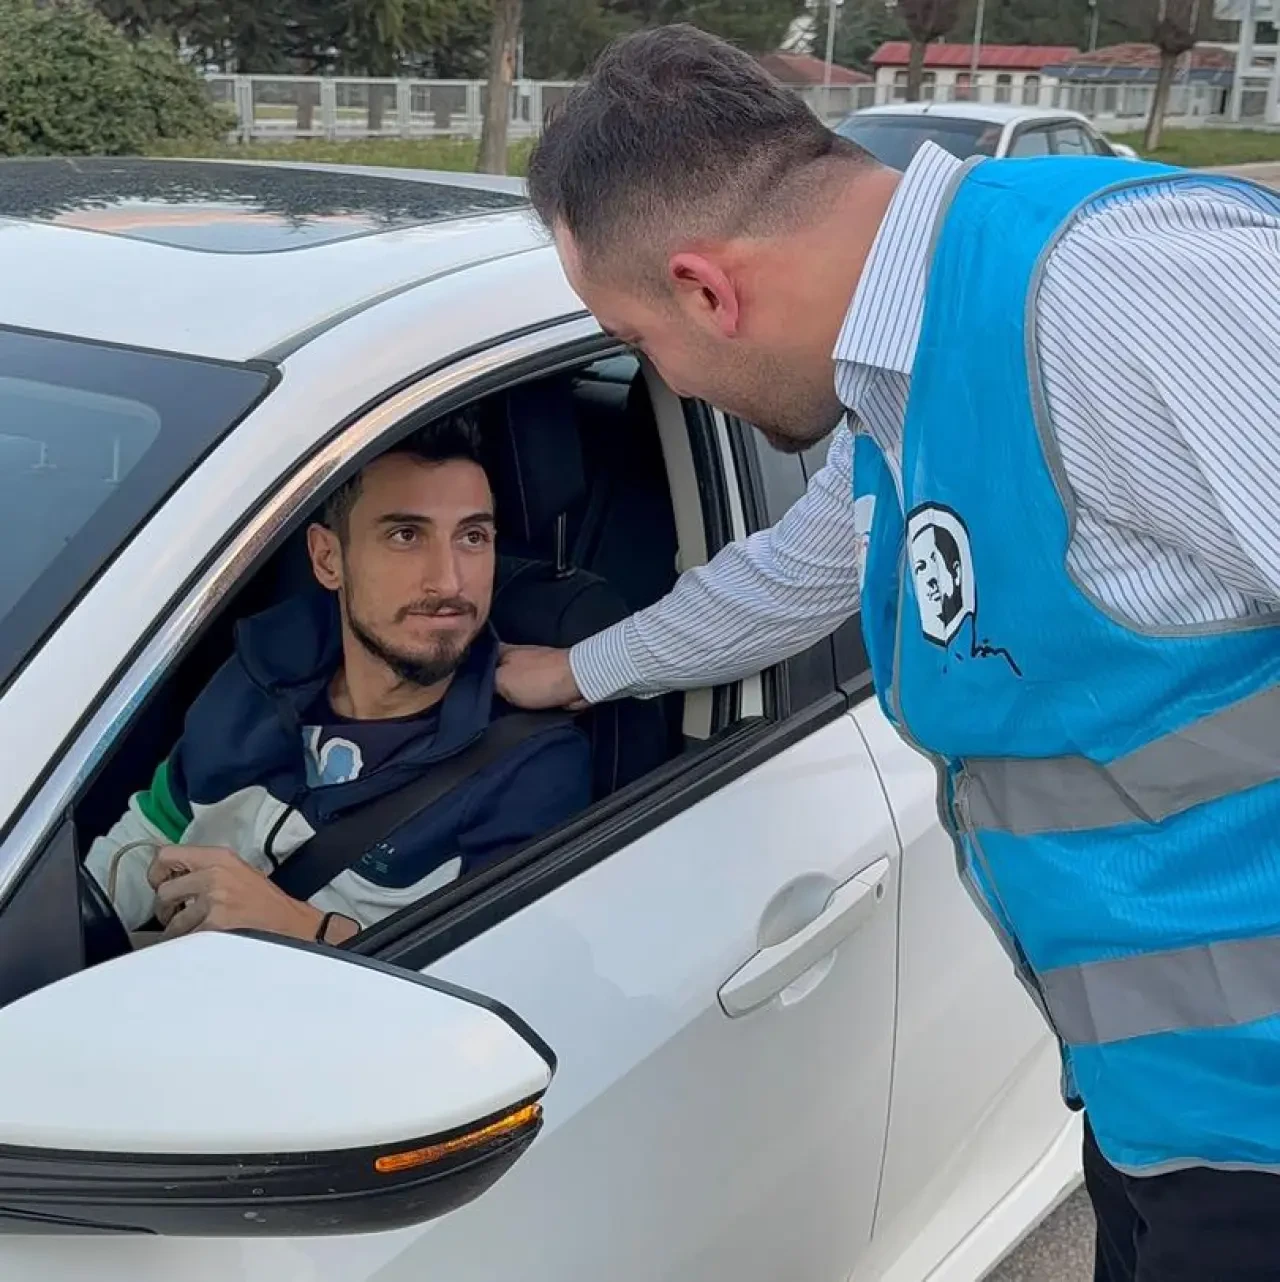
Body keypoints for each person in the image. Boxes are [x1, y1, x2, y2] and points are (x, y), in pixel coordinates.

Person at [496, 25, 1280, 1282]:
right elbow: (792, 575)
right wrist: (566, 674)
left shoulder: (1110, 298)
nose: (671, 383)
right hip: (1163, 1112)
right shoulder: (899, 370)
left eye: (639, 341)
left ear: (707, 288)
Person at [88, 415, 591, 946]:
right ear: (328, 559)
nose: (448, 580)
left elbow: (492, 983)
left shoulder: (527, 765)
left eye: (472, 536)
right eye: (405, 535)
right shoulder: (260, 673)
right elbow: (150, 833)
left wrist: (301, 929)